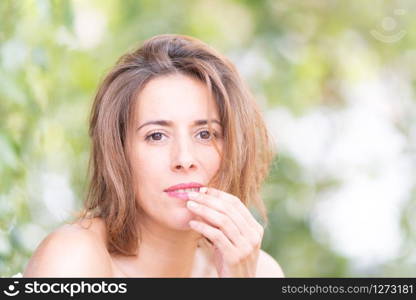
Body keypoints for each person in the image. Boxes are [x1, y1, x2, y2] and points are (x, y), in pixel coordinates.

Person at [23, 34, 284, 277]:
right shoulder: (73, 258)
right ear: (119, 153)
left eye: (205, 134)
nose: (184, 158)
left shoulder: (259, 271)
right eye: (156, 136)